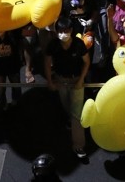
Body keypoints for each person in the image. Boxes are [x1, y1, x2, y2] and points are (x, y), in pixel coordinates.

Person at [44, 17, 90, 161]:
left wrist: (81, 80)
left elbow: (86, 63)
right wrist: (50, 82)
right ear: (57, 32)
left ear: (71, 31)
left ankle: (78, 145)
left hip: (76, 80)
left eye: (66, 30)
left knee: (77, 112)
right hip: (61, 81)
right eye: (61, 31)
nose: (64, 33)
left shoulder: (79, 45)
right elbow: (47, 63)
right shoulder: (53, 45)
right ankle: (69, 119)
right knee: (66, 105)